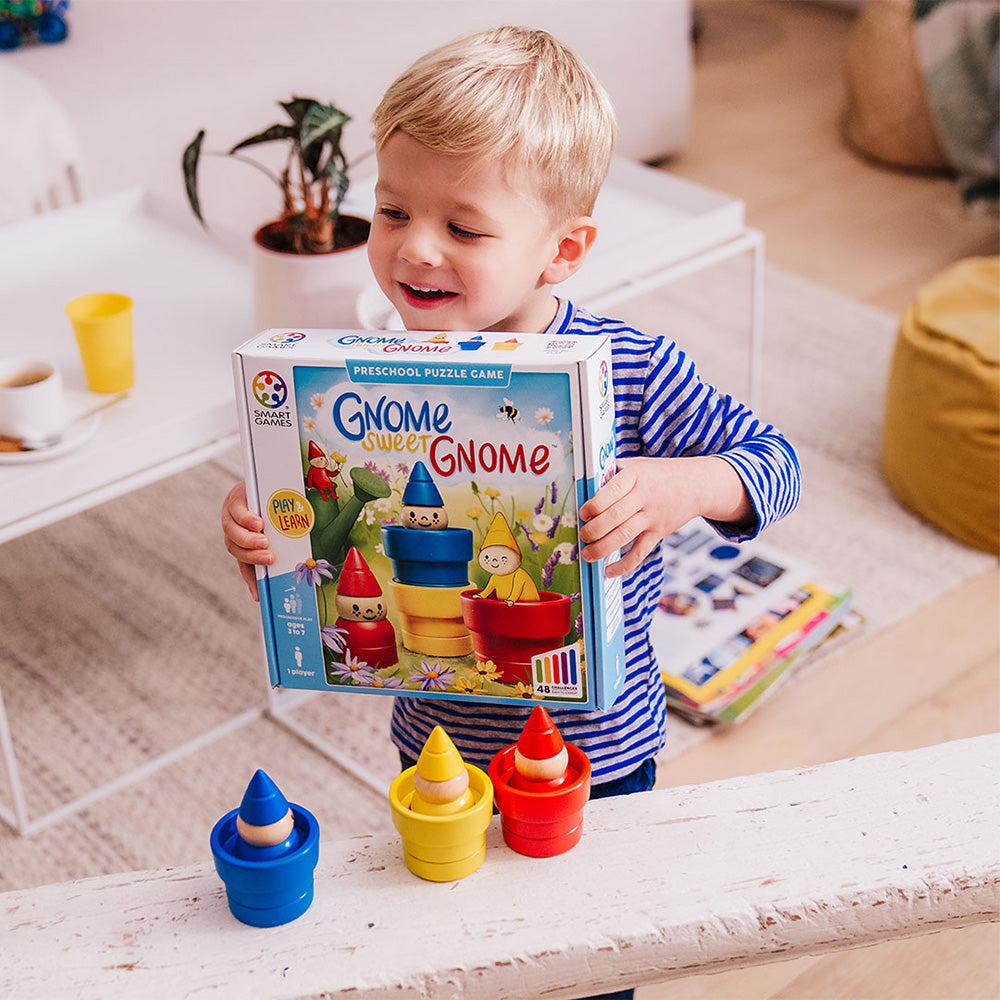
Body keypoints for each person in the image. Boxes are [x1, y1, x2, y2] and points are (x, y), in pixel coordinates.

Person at [222, 17, 800, 859]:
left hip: (594, 753)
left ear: (561, 250)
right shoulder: (363, 367)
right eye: (392, 211)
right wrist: (263, 527)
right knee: (452, 911)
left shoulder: (626, 364)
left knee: (589, 938)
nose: (415, 249)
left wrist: (682, 488)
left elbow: (775, 465)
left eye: (464, 228)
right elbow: (329, 529)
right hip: (435, 736)